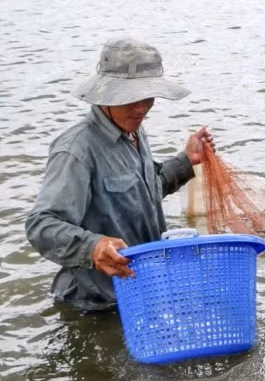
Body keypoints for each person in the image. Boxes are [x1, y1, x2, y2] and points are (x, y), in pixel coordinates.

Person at [26, 37, 214, 311]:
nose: (141, 108)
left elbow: (144, 194)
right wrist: (93, 247)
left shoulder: (134, 131)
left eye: (147, 97)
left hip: (139, 289)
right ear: (106, 96)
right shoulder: (76, 151)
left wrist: (186, 161)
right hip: (94, 304)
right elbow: (41, 225)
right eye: (131, 99)